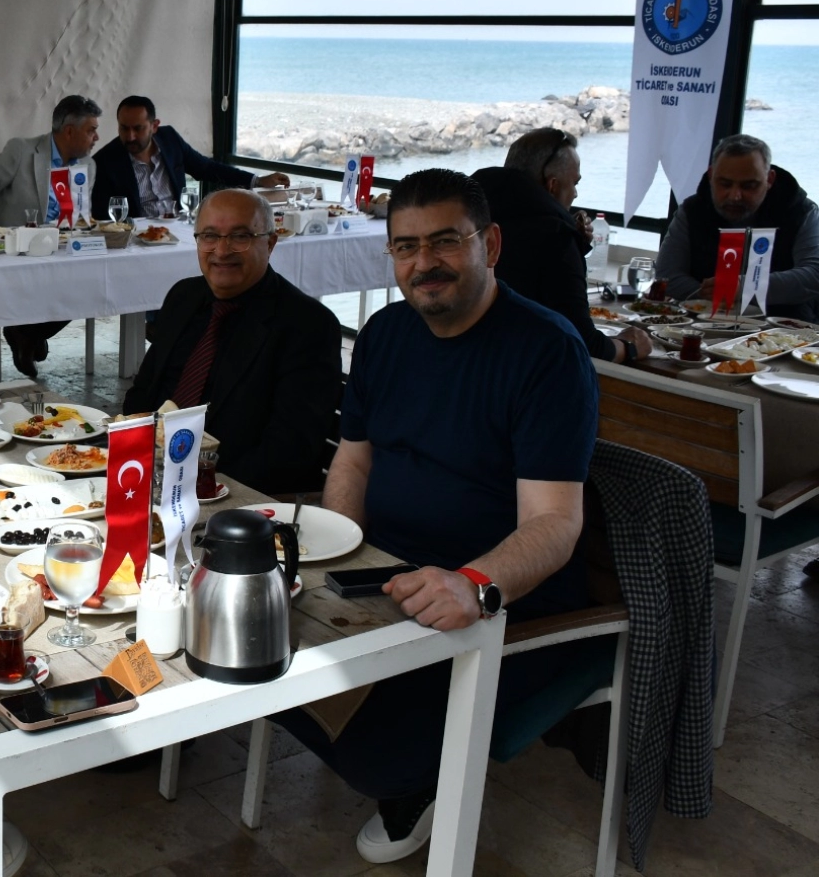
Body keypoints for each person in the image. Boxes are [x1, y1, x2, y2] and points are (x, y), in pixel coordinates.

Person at [272, 169, 597, 864]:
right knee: (252, 660)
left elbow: (556, 523)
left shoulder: (546, 351)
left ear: (491, 244)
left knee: (376, 754)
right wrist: (338, 551)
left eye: (446, 241)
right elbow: (353, 463)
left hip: (502, 600)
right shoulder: (386, 333)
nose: (424, 263)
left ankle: (417, 785)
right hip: (384, 575)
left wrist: (474, 584)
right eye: (406, 247)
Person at [122, 188, 339, 496]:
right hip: (150, 478)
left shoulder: (306, 324)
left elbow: (289, 451)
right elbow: (141, 397)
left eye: (240, 237)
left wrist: (200, 488)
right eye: (209, 236)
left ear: (270, 243)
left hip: (234, 492)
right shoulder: (184, 297)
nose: (222, 251)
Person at [474, 127, 651, 364]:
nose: (576, 194)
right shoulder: (556, 239)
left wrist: (576, 240)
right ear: (553, 185)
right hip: (525, 370)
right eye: (574, 183)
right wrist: (629, 347)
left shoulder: (470, 216)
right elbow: (584, 346)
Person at [0, 95, 102, 377]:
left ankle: (28, 333)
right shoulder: (22, 151)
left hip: (61, 256)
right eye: (91, 130)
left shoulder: (88, 165)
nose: (96, 137)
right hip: (16, 258)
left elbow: (79, 218)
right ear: (69, 131)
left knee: (93, 282)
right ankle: (28, 333)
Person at [656, 133, 819, 321]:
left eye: (749, 186)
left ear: (769, 180)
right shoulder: (692, 210)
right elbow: (666, 274)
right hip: (702, 321)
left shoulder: (801, 211)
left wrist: (746, 286)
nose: (735, 196)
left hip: (783, 328)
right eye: (725, 184)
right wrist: (710, 294)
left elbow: (814, 274)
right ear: (711, 176)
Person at [91, 96, 288, 220]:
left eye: (138, 128)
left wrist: (257, 181)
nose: (130, 136)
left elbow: (207, 168)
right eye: (124, 128)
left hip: (180, 228)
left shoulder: (169, 139)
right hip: (136, 240)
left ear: (154, 126)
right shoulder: (104, 161)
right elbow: (103, 217)